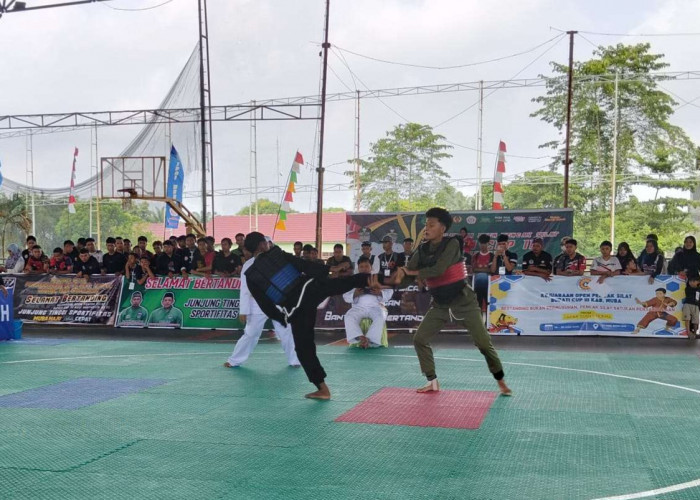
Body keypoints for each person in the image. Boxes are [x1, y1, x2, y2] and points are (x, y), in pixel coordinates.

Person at [393, 207, 511, 396]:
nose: (427, 228)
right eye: (426, 225)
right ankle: (432, 381)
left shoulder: (453, 243)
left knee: (483, 343)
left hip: (464, 302)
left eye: (432, 225)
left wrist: (410, 272)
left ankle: (500, 380)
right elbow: (407, 276)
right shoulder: (421, 250)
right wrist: (397, 278)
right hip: (440, 304)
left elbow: (438, 270)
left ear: (443, 228)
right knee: (419, 339)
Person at [243, 231, 375, 400]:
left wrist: (281, 318)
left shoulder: (250, 275)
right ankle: (384, 280)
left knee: (304, 348)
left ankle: (323, 389)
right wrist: (329, 269)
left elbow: (265, 304)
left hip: (295, 308)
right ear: (262, 244)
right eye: (266, 242)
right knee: (344, 283)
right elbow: (303, 265)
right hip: (310, 289)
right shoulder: (277, 253)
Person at [224, 238, 300, 368]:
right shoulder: (248, 265)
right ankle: (234, 360)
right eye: (264, 244)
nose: (266, 247)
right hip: (256, 304)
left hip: (278, 302)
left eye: (269, 244)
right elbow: (245, 290)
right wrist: (243, 310)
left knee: (286, 331)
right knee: (251, 334)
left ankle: (295, 360)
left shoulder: (279, 262)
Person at [343, 256, 393, 348]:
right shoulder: (353, 279)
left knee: (380, 316)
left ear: (371, 267)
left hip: (375, 307)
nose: (364, 268)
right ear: (358, 268)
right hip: (358, 308)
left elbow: (389, 291)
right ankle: (361, 337)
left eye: (366, 266)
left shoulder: (378, 278)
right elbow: (345, 295)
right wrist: (355, 294)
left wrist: (379, 293)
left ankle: (370, 340)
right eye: (361, 267)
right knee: (348, 316)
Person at [472, 234, 494, 312]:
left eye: (484, 244)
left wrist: (479, 269)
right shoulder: (475, 256)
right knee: (478, 305)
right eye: (481, 244)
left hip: (489, 285)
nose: (483, 246)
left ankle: (488, 320)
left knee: (489, 304)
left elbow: (491, 270)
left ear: (488, 244)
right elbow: (473, 269)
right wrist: (486, 269)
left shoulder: (492, 256)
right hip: (477, 285)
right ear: (479, 244)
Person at [682, 274, 700, 340]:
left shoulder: (698, 289)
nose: (691, 283)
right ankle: (688, 332)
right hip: (687, 304)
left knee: (696, 320)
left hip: (696, 306)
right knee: (687, 318)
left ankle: (695, 333)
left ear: (698, 282)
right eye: (690, 281)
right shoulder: (687, 288)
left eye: (693, 281)